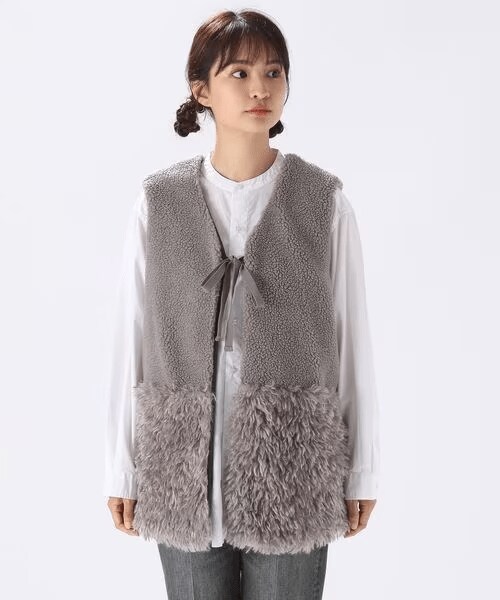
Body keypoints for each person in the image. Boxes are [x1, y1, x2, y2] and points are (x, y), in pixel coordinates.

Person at [103, 8, 380, 600]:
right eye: (239, 73)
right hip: (179, 468)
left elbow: (352, 338)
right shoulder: (159, 202)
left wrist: (362, 467)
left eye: (274, 72)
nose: (261, 88)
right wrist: (122, 466)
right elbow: (132, 336)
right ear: (201, 90)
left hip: (294, 467)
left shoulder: (323, 200)